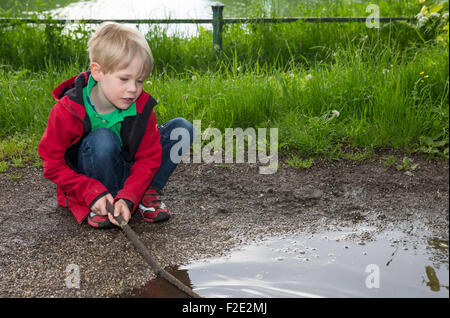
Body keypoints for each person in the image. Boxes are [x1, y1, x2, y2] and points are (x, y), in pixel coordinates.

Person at [38, 22, 193, 229]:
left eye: (140, 81)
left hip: (127, 169)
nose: (133, 89)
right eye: (124, 79)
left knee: (182, 129)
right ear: (98, 72)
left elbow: (148, 158)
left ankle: (144, 192)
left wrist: (129, 196)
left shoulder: (142, 107)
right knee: (102, 139)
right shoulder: (67, 110)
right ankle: (106, 201)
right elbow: (53, 164)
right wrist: (89, 192)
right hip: (90, 180)